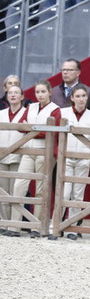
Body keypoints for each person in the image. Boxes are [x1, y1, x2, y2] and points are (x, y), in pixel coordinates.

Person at [7, 80, 61, 236]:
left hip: (46, 152)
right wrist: (34, 130)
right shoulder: (31, 107)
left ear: (50, 92)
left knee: (40, 190)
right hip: (29, 150)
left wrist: (30, 128)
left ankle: (36, 227)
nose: (40, 95)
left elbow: (52, 132)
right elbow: (19, 125)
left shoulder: (55, 110)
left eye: (43, 91)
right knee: (19, 186)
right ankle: (14, 226)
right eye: (38, 92)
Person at [59, 84, 90, 239]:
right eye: (78, 96)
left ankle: (72, 228)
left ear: (87, 98)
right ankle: (56, 225)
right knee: (64, 192)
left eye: (84, 96)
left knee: (77, 195)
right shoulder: (63, 113)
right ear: (72, 98)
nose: (81, 99)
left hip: (84, 159)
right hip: (66, 157)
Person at [0, 84, 24, 227]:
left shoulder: (27, 113)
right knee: (3, 192)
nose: (13, 95)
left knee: (15, 192)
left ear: (22, 96)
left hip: (18, 157)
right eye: (10, 93)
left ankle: (14, 224)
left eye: (16, 93)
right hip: (2, 157)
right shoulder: (1, 114)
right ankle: (3, 223)